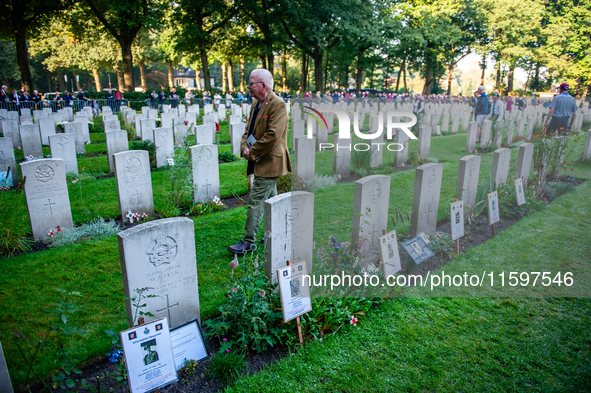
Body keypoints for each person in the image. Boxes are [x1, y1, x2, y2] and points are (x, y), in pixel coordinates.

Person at [227, 69, 291, 253]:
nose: (248, 87)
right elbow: (248, 130)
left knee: (255, 201)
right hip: (260, 158)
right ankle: (278, 231)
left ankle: (248, 241)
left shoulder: (277, 105)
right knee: (273, 200)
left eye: (251, 83)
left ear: (263, 85)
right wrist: (244, 147)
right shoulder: (256, 104)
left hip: (270, 161)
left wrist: (252, 151)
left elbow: (273, 135)